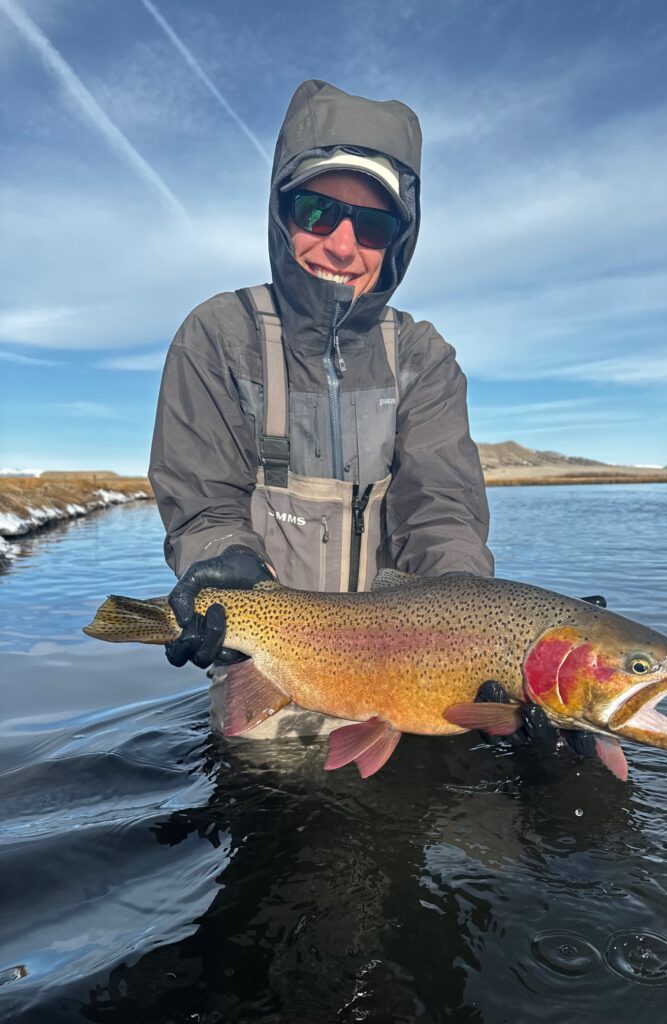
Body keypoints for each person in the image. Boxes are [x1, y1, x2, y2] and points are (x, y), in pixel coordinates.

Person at [149, 79, 493, 733]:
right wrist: (224, 562)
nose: (341, 244)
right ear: (281, 213)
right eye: (316, 211)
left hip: (406, 682)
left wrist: (485, 635)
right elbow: (204, 508)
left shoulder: (423, 357)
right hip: (266, 672)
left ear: (399, 240)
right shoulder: (219, 336)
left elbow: (443, 517)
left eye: (373, 224)